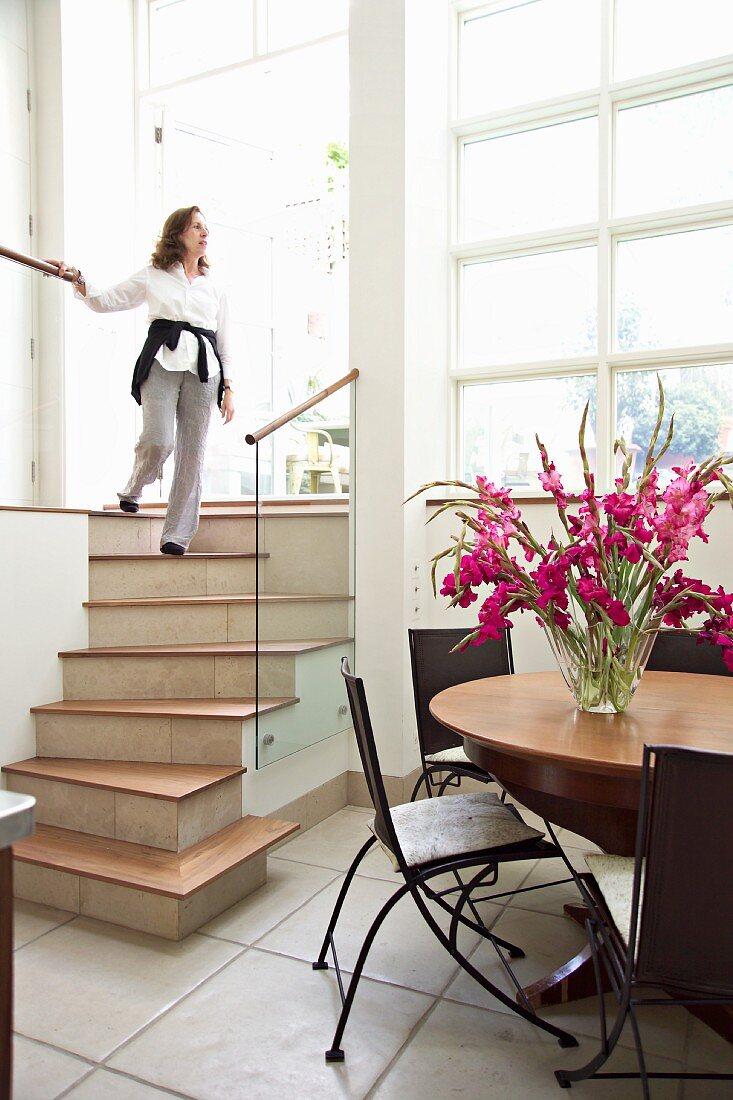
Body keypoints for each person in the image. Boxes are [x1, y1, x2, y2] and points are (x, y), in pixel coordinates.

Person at [51, 205, 235, 555]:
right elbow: (107, 300)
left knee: (192, 455)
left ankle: (176, 536)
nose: (204, 233)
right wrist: (78, 279)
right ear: (178, 233)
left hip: (204, 372)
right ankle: (135, 486)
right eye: (196, 226)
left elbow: (225, 340)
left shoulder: (216, 287)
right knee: (158, 439)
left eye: (205, 227)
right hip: (162, 363)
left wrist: (229, 388)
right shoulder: (155, 274)